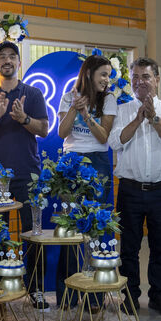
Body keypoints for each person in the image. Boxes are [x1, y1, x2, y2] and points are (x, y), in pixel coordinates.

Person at [0, 41, 50, 309]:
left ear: (19, 63)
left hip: (28, 175)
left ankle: (36, 289)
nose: (7, 60)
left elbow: (44, 130)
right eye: (1, 57)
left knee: (33, 234)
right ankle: (2, 285)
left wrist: (24, 119)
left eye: (12, 56)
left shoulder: (33, 93)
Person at [108, 57, 161, 318]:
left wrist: (153, 118)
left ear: (157, 80)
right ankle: (129, 296)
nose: (140, 82)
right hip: (130, 190)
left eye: (146, 77)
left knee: (160, 247)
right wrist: (139, 118)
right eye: (136, 78)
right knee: (128, 247)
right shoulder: (122, 110)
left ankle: (158, 296)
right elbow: (116, 142)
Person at [54, 54, 118, 305]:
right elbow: (62, 132)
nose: (107, 79)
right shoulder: (69, 95)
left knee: (97, 227)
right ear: (89, 73)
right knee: (70, 229)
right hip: (71, 162)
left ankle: (95, 297)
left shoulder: (109, 99)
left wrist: (87, 114)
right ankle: (67, 295)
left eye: (109, 74)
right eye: (103, 73)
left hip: (99, 162)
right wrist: (74, 107)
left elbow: (103, 137)